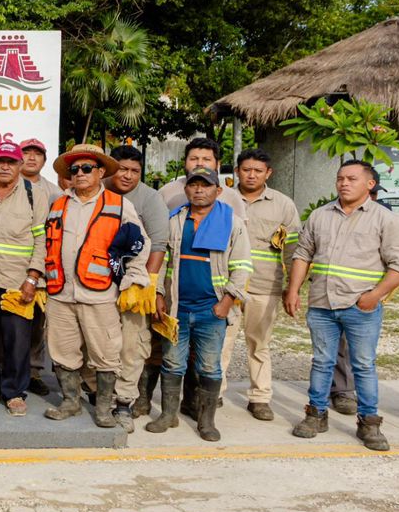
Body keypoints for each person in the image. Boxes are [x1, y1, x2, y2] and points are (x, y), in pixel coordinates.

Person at [285, 160, 399, 452]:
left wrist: (375, 295)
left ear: (370, 184)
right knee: (321, 362)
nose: (344, 183)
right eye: (340, 178)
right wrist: (293, 290)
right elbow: (303, 254)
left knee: (364, 365)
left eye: (352, 178)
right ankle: (315, 414)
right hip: (321, 304)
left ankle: (369, 422)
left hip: (360, 307)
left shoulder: (385, 219)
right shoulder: (320, 216)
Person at [41, 143, 152, 426]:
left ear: (101, 172)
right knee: (62, 350)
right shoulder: (58, 204)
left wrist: (133, 281)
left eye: (87, 168)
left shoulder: (118, 205)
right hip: (60, 293)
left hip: (100, 293)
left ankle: (103, 409)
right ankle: (70, 401)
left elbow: (140, 244)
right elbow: (45, 244)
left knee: (106, 353)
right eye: (74, 169)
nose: (80, 173)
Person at [148, 169, 251, 441]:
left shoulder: (232, 222)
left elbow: (241, 267)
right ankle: (168, 415)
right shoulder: (176, 220)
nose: (198, 190)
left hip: (212, 309)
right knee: (172, 363)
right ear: (186, 190)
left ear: (218, 191)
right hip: (177, 308)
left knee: (209, 367)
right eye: (193, 185)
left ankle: (206, 422)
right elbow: (163, 261)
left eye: (205, 186)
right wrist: (158, 294)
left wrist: (226, 303)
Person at [0, 142, 47, 415]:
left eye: (11, 162)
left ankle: (14, 393)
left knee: (17, 341)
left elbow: (42, 240)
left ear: (19, 165)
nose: (5, 166)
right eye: (0, 161)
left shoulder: (34, 194)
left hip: (18, 282)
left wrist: (33, 278)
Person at [231, 149, 299, 422]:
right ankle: (214, 394)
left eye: (258, 171)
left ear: (268, 173)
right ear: (237, 171)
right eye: (246, 169)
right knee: (220, 344)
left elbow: (293, 249)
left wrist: (292, 287)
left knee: (259, 344)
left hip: (264, 285)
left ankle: (259, 399)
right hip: (228, 286)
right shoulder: (224, 199)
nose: (251, 175)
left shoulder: (283, 205)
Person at [105, 145, 170, 420]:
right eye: (122, 168)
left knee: (133, 343)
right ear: (111, 168)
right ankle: (99, 396)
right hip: (100, 282)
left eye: (135, 171)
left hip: (137, 281)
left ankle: (125, 400)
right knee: (103, 342)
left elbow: (158, 244)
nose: (128, 175)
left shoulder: (149, 198)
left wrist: (149, 285)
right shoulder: (99, 191)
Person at [18, 138, 62, 392]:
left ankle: (33, 372)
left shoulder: (54, 193)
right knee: (7, 322)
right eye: (27, 152)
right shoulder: (6, 186)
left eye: (37, 154)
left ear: (45, 160)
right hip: (8, 266)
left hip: (43, 268)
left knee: (36, 323)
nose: (32, 158)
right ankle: (3, 370)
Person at [157, 137, 246, 214]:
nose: (200, 164)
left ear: (218, 164)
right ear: (185, 163)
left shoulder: (231, 197)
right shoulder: (166, 193)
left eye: (206, 159)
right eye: (194, 159)